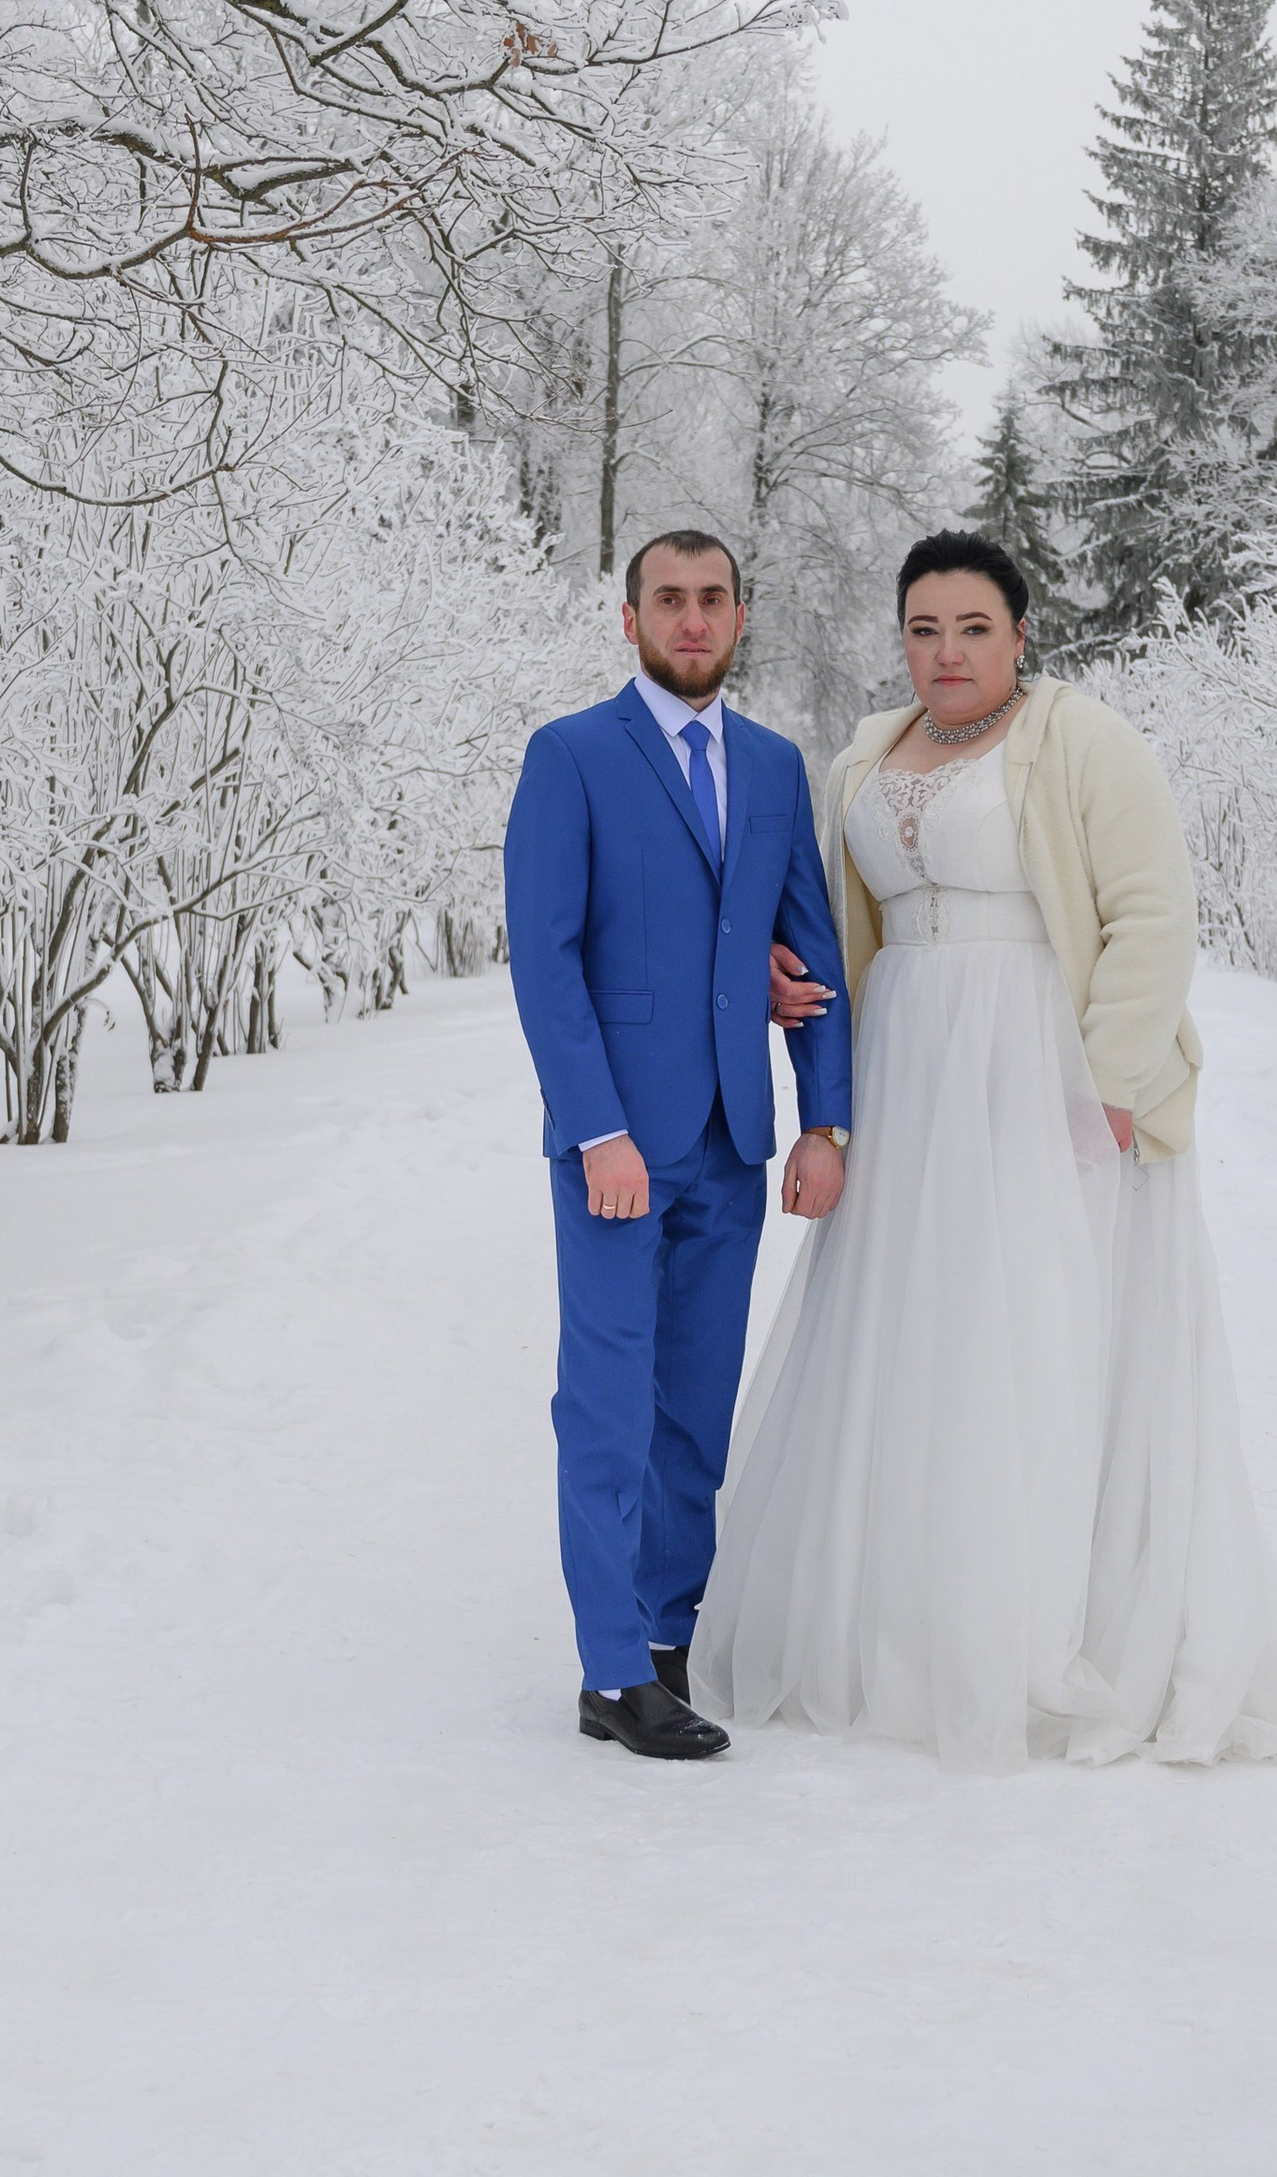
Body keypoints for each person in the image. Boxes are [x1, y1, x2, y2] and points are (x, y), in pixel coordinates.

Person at [690, 531, 1277, 1773]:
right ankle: (904, 1623)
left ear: (1021, 633)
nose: (946, 652)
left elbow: (1151, 913)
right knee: (914, 1331)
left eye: (972, 626)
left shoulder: (1081, 737)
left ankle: (1036, 1626)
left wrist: (1110, 1084)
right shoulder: (865, 752)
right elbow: (833, 914)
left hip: (1042, 1066)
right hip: (910, 1067)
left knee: (1034, 1329)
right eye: (923, 628)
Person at [503, 531, 855, 1760]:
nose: (691, 620)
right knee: (605, 1402)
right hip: (616, 1142)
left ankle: (668, 1632)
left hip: (730, 1141)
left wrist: (825, 1117)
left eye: (712, 600)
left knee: (694, 1409)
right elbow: (544, 959)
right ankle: (609, 1672)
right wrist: (596, 1127)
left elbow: (803, 955)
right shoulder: (572, 757)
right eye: (669, 600)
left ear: (742, 616)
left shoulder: (770, 766)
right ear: (630, 617)